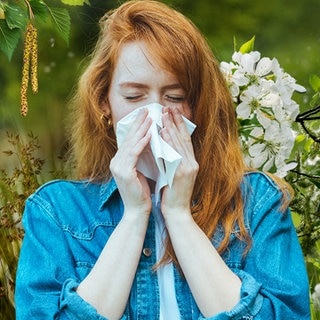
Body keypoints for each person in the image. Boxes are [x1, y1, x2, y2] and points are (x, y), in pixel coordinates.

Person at [15, 1, 310, 319]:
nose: (154, 115)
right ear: (104, 102)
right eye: (133, 96)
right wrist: (134, 215)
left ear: (197, 104)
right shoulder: (56, 213)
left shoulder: (257, 202)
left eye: (175, 97)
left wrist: (179, 215)